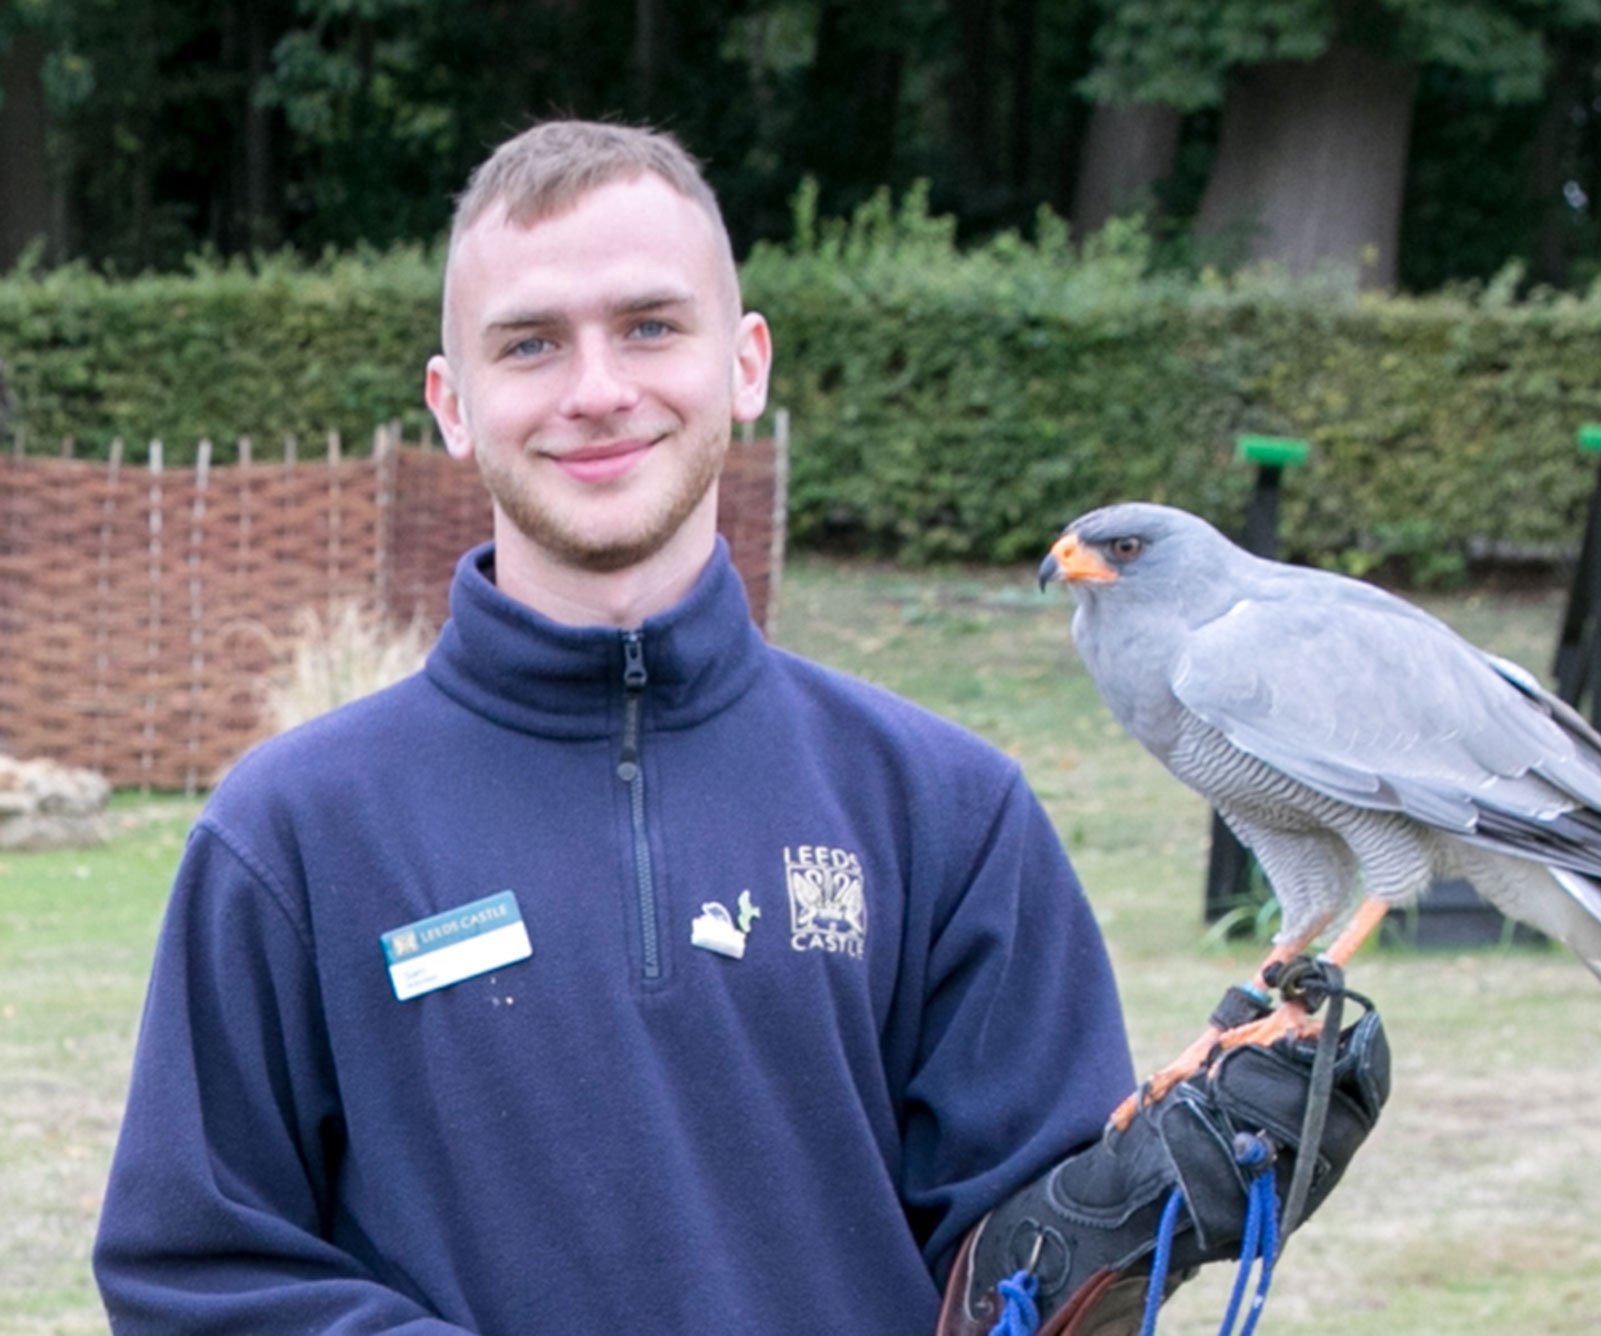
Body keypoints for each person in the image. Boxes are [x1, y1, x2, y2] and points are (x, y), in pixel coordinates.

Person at [94, 120, 1386, 1335]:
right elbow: (192, 1269)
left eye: (651, 326)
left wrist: (1115, 1238)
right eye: (529, 343)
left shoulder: (947, 813)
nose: (596, 390)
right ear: (451, 400)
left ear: (744, 363)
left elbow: (1015, 1295)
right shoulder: (294, 836)